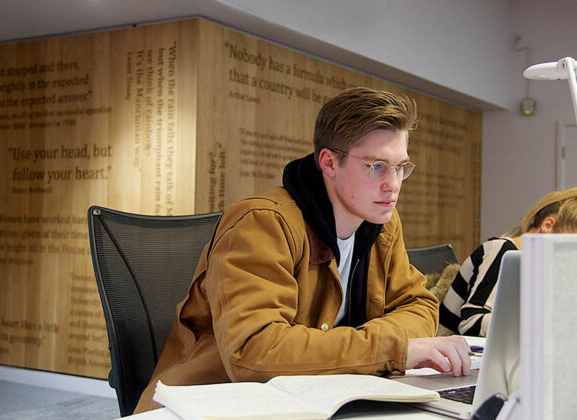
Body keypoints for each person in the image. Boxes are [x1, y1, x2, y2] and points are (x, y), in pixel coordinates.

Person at [134, 87, 472, 413]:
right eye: (377, 166)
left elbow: (418, 305)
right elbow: (255, 352)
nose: (393, 184)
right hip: (212, 404)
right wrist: (392, 348)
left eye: (401, 167)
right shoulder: (263, 223)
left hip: (313, 399)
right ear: (329, 163)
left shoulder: (381, 223)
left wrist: (371, 348)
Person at [438, 187, 577, 336]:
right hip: (445, 358)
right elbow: (470, 323)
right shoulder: (502, 251)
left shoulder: (538, 268)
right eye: (572, 244)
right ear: (548, 225)